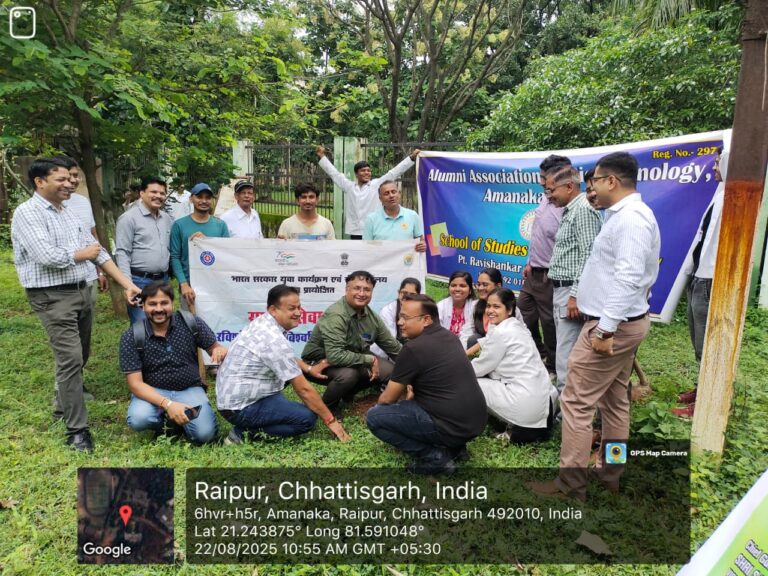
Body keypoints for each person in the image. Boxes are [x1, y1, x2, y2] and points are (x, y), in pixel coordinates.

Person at [530, 152, 660, 502]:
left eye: (596, 182)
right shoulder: (623, 216)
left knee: (576, 402)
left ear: (612, 181)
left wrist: (605, 329)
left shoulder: (631, 219)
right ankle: (610, 472)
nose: (592, 189)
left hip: (610, 328)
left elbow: (629, 276)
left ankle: (571, 485)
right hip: (621, 324)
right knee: (616, 403)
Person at [11, 157, 140, 451]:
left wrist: (127, 284)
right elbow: (47, 256)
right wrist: (84, 253)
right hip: (52, 296)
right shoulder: (27, 213)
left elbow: (100, 253)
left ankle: (61, 408)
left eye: (70, 179)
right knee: (70, 359)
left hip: (82, 291)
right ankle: (77, 431)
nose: (69, 184)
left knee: (80, 354)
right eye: (61, 179)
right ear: (40, 182)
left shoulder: (67, 212)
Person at [367, 294, 487, 475]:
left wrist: (387, 409)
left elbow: (387, 399)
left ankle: (435, 458)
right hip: (475, 422)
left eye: (405, 318)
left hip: (449, 426)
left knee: (375, 417)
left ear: (426, 320)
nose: (400, 322)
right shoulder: (450, 336)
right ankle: (456, 449)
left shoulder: (413, 349)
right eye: (400, 316)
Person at [216, 285, 351, 444]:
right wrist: (331, 421)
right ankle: (242, 434)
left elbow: (284, 358)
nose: (298, 313)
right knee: (306, 419)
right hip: (240, 408)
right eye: (291, 308)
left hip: (234, 399)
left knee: (293, 395)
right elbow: (304, 389)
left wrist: (308, 369)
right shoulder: (273, 339)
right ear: (273, 310)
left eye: (299, 307)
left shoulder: (264, 322)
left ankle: (256, 421)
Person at [119, 282, 227, 444]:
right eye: (152, 304)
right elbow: (135, 384)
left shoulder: (191, 323)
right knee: (139, 419)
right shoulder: (131, 336)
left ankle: (177, 421)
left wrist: (219, 350)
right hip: (153, 392)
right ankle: (166, 421)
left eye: (164, 303)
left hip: (189, 388)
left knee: (205, 436)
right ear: (143, 306)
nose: (159, 309)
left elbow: (215, 348)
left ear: (172, 303)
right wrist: (168, 404)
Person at [674, 147, 729, 418]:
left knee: (708, 343)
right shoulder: (719, 193)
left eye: (718, 162)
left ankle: (708, 402)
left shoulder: (733, 196)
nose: (714, 167)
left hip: (711, 278)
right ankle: (702, 388)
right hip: (699, 276)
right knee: (698, 341)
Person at [301, 270, 402, 418]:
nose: (361, 293)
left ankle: (347, 393)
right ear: (347, 289)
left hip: (352, 357)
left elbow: (393, 348)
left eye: (367, 289)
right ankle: (326, 408)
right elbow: (335, 356)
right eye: (357, 288)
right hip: (319, 362)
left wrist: (416, 368)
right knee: (349, 375)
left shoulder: (371, 317)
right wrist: (369, 359)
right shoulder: (336, 315)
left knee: (390, 371)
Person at [468, 288, 558, 444]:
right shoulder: (518, 326)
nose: (490, 310)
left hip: (527, 409)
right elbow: (488, 342)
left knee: (469, 381)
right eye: (488, 306)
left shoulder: (501, 332)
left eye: (496, 306)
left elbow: (479, 368)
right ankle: (514, 425)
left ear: (509, 310)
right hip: (546, 405)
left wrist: (454, 368)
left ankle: (485, 424)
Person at [545, 164, 602, 391]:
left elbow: (590, 254)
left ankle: (566, 407)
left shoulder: (583, 210)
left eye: (552, 190)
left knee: (566, 355)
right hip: (562, 291)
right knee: (565, 349)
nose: (549, 196)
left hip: (571, 292)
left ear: (569, 186)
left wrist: (575, 295)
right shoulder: (571, 209)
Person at [517, 155, 567, 372]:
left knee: (549, 322)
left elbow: (565, 244)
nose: (540, 182)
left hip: (550, 275)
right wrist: (529, 261)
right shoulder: (546, 198)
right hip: (533, 272)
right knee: (523, 311)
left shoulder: (564, 206)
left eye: (543, 177)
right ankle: (537, 353)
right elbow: (537, 232)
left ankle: (554, 365)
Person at [316, 145, 420, 238]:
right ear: (356, 174)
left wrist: (411, 158)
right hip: (355, 231)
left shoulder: (376, 184)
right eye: (363, 171)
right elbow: (334, 174)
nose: (367, 173)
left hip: (375, 228)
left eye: (368, 170)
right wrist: (322, 156)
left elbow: (394, 172)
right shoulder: (349, 187)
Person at [115, 176, 174, 324]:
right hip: (139, 281)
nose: (158, 196)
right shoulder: (128, 218)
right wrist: (128, 285)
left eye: (162, 193)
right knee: (142, 324)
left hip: (163, 280)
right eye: (153, 192)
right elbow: (122, 253)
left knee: (163, 322)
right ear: (142, 193)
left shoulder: (167, 219)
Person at [169, 182, 230, 310]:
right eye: (199, 197)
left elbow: (226, 255)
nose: (204, 201)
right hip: (190, 287)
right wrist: (183, 283)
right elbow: (175, 257)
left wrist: (206, 242)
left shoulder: (220, 225)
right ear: (191, 199)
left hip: (215, 285)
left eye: (208, 198)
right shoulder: (179, 225)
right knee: (190, 320)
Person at [58, 156, 109, 300]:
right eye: (68, 176)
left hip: (89, 275)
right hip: (63, 282)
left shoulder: (83, 202)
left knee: (89, 313)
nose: (74, 180)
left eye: (76, 175)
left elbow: (92, 237)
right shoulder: (45, 208)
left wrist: (100, 272)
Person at [362, 180, 426, 252]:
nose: (391, 196)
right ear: (380, 198)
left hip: (407, 259)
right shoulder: (371, 219)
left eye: (393, 192)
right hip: (381, 259)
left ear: (399, 194)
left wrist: (422, 245)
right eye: (386, 193)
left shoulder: (412, 215)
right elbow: (365, 247)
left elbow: (421, 240)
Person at [371, 277, 422, 358]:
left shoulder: (421, 311)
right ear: (399, 293)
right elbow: (390, 342)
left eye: (412, 294)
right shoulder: (387, 311)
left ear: (418, 296)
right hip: (383, 355)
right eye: (404, 293)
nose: (407, 297)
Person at [461, 267, 503, 348]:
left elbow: (494, 338)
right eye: (478, 284)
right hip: (483, 346)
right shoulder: (475, 305)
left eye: (485, 285)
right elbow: (467, 331)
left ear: (498, 286)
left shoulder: (508, 308)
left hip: (503, 348)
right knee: (474, 339)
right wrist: (460, 351)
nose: (480, 288)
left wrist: (467, 353)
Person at [436, 271, 476, 348]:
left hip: (464, 348)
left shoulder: (474, 307)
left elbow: (467, 334)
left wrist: (458, 352)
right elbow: (437, 333)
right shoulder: (440, 307)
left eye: (462, 286)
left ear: (470, 290)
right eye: (453, 285)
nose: (457, 289)